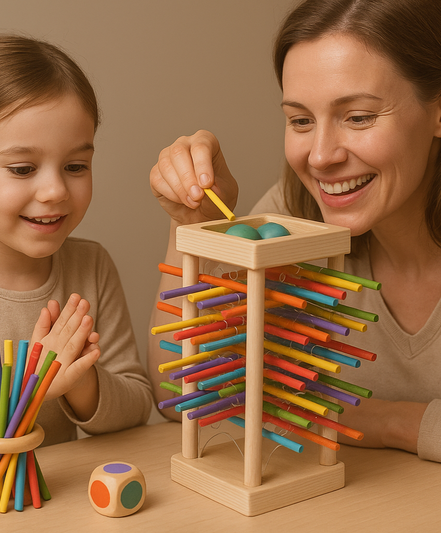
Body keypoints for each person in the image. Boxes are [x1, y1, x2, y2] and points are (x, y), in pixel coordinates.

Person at [149, 0, 441, 463]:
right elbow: (184, 393)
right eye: (301, 120)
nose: (321, 156)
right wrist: (193, 224)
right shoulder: (295, 216)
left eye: (359, 116)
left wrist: (394, 421)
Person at [0, 35, 152, 471]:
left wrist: (80, 383)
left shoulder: (91, 265)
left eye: (76, 166)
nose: (56, 190)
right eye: (22, 169)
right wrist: (30, 387)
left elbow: (136, 403)